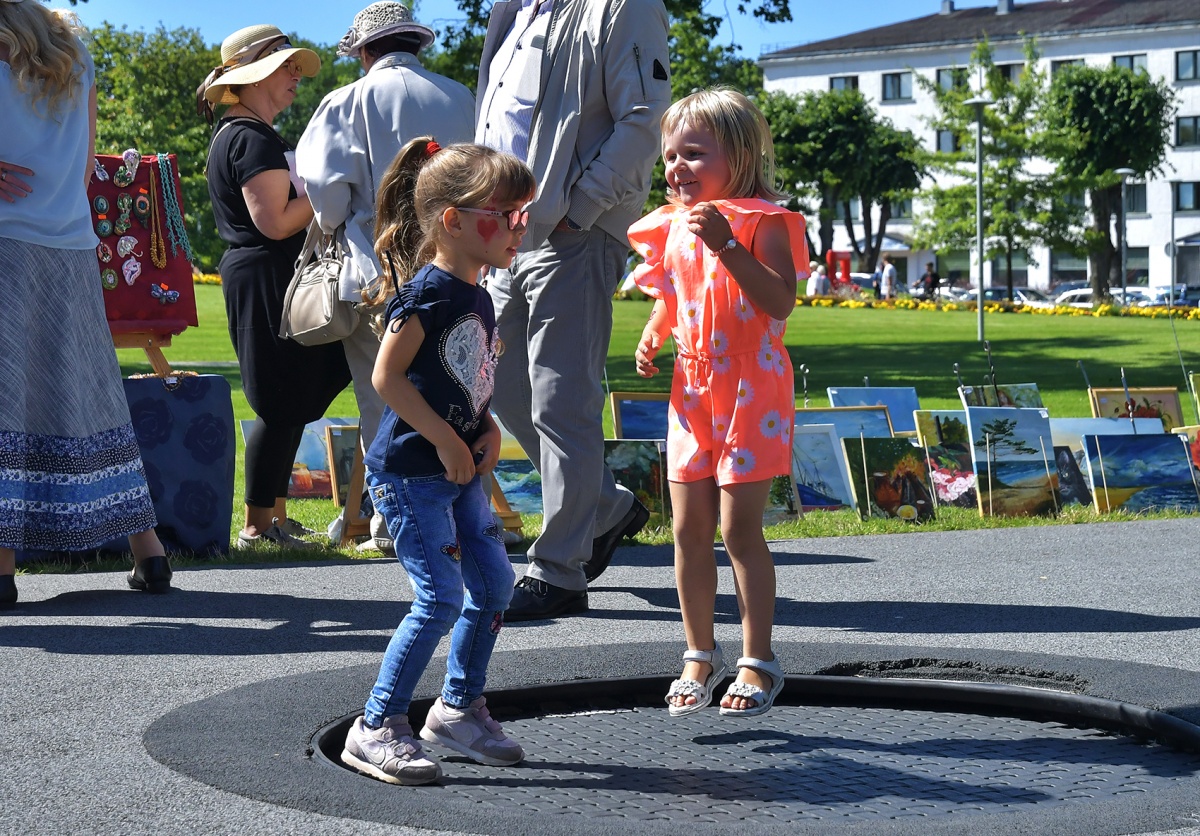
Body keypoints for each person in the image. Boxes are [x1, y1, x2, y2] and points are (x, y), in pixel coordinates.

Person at [339, 138, 534, 785]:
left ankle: (457, 711)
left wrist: (486, 428)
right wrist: (447, 441)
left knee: (495, 587)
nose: (519, 227)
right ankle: (376, 725)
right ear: (453, 220)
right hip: (411, 475)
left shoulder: (478, 295)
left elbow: (466, 380)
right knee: (440, 597)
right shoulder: (426, 293)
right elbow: (388, 377)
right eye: (506, 215)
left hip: (458, 472)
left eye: (523, 214)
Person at [476, 0, 672, 620]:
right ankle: (606, 508)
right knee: (493, 383)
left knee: (561, 401)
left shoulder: (622, 6)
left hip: (572, 231)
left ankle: (558, 570)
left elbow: (645, 119)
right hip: (507, 234)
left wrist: (579, 207)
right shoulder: (511, 13)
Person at [629, 88, 808, 718]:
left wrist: (729, 244)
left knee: (737, 529)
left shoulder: (762, 222)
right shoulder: (672, 225)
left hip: (751, 386)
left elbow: (779, 301)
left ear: (739, 155)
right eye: (670, 155)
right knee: (687, 529)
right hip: (693, 388)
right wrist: (655, 331)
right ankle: (698, 654)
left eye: (694, 154)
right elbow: (676, 293)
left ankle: (758, 659)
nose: (677, 167)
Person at [0, 0, 171, 606]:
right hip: (71, 239)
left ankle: (1, 565)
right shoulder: (72, 46)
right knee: (94, 390)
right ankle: (149, 551)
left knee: (8, 394)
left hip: (6, 238)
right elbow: (89, 154)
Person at [297, 1, 475, 555]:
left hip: (380, 267)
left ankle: (392, 516)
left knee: (385, 392)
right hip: (456, 263)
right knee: (456, 387)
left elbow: (326, 199)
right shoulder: (460, 96)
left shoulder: (346, 101)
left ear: (366, 51)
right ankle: (451, 507)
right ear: (415, 44)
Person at [198, 24, 352, 549]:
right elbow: (276, 222)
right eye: (285, 65)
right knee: (279, 397)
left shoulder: (248, 132)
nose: (295, 75)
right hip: (266, 273)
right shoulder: (249, 136)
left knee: (293, 392)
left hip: (269, 273)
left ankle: (273, 517)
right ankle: (258, 525)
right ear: (254, 75)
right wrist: (336, 189)